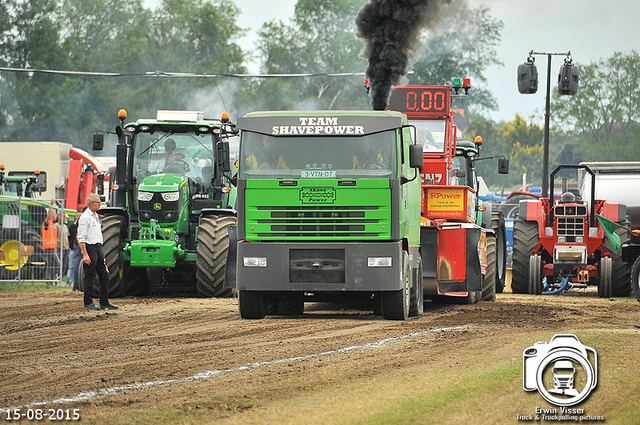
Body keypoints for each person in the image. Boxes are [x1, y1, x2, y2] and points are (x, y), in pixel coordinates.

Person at [78, 193, 117, 311]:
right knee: (89, 275)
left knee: (104, 275)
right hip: (89, 248)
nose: (100, 204)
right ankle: (88, 302)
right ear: (91, 204)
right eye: (98, 202)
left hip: (98, 247)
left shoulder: (95, 216)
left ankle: (104, 302)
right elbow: (81, 237)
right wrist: (85, 254)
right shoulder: (85, 217)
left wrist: (102, 254)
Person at [41, 199, 59, 284]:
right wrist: (51, 206)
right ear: (51, 215)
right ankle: (50, 280)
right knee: (57, 264)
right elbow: (47, 217)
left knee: (50, 265)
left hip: (52, 248)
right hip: (48, 248)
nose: (56, 216)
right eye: (55, 214)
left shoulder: (53, 225)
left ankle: (49, 280)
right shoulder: (46, 223)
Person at [67, 208, 83, 291]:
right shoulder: (75, 225)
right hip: (78, 245)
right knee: (75, 265)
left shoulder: (76, 223)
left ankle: (76, 284)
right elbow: (72, 236)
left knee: (75, 265)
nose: (78, 217)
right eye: (77, 215)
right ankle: (76, 284)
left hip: (77, 245)